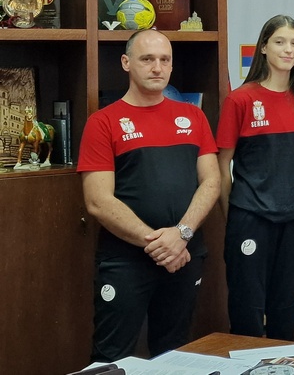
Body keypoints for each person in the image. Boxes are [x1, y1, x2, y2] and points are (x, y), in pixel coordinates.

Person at [77, 29, 220, 362]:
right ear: (126, 63)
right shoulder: (103, 122)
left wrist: (181, 235)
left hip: (185, 255)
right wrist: (160, 245)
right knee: (111, 357)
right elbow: (98, 201)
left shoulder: (193, 116)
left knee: (174, 354)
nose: (157, 67)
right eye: (147, 59)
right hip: (125, 261)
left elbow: (212, 181)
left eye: (164, 60)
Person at [216, 15, 294, 340]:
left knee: (284, 311)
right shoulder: (240, 99)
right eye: (280, 42)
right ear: (263, 47)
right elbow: (222, 165)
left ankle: (282, 364)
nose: (288, 49)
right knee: (247, 312)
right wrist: (233, 217)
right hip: (250, 218)